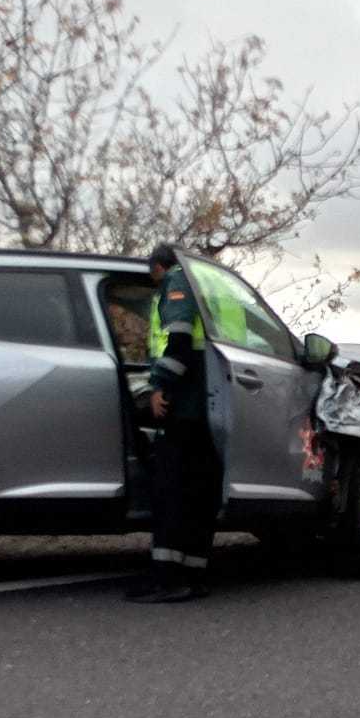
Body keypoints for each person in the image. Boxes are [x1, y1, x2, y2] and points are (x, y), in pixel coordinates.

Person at [129, 242, 222, 603]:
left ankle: (167, 580)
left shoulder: (176, 285)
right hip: (209, 409)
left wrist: (158, 387)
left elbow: (179, 347)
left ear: (157, 267)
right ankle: (194, 576)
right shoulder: (210, 289)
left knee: (170, 493)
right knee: (199, 494)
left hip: (183, 408)